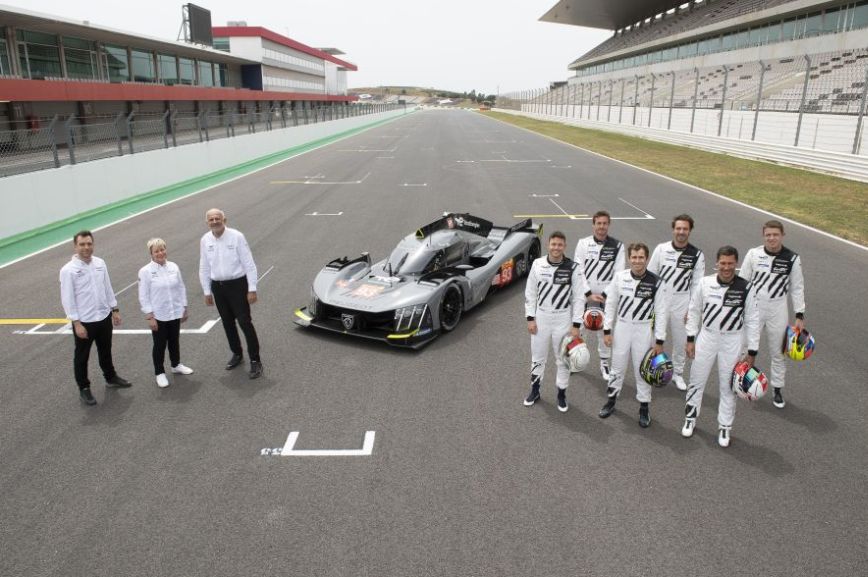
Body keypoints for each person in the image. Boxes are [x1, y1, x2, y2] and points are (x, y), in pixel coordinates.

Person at [682, 246, 760, 448]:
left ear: (736, 264)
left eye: (730, 263)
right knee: (696, 380)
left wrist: (752, 351)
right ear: (717, 263)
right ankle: (690, 418)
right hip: (707, 336)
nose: (726, 267)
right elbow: (694, 311)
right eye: (723, 263)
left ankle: (725, 426)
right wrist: (690, 339)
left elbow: (752, 320)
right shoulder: (705, 283)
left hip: (733, 340)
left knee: (728, 386)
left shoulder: (746, 287)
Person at [598, 243, 667, 428]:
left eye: (641, 257)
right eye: (634, 257)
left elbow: (661, 312)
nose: (637, 261)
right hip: (622, 327)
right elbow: (610, 304)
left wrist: (659, 341)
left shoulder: (657, 281)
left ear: (647, 258)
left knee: (642, 370)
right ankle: (611, 400)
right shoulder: (620, 277)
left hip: (643, 330)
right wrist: (607, 330)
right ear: (629, 259)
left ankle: (644, 407)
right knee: (617, 367)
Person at [739, 220, 805, 409]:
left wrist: (799, 314)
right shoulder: (753, 254)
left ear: (782, 235)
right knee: (745, 347)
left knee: (778, 352)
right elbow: (742, 281)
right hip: (754, 308)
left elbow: (797, 287)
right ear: (763, 235)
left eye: (775, 234)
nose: (771, 238)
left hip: (778, 308)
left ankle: (777, 389)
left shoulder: (792, 258)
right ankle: (740, 382)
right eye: (768, 234)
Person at [59, 230, 131, 405]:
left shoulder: (100, 263)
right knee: (82, 357)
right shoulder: (68, 270)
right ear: (75, 246)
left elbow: (107, 287)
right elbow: (67, 299)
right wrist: (76, 323)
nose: (86, 247)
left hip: (103, 317)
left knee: (105, 350)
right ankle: (84, 388)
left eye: (89, 244)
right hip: (84, 322)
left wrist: (114, 309)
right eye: (82, 244)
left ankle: (110, 377)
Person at [523, 231, 585, 412]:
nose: (556, 248)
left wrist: (576, 325)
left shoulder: (573, 267)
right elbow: (530, 292)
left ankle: (561, 394)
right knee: (538, 357)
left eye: (560, 245)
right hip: (541, 318)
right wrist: (530, 318)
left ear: (564, 246)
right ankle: (535, 390)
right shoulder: (538, 264)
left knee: (563, 359)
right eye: (553, 244)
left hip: (563, 319)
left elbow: (579, 298)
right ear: (548, 245)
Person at [199, 208, 263, 379]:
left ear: (224, 220)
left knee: (244, 322)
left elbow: (249, 263)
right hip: (218, 287)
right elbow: (204, 267)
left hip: (237, 285)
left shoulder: (237, 236)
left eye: (217, 218)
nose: (215, 221)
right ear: (207, 223)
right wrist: (207, 291)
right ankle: (237, 353)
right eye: (211, 219)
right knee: (227, 323)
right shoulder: (205, 240)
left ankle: (255, 360)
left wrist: (252, 288)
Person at [647, 214, 705, 391]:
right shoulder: (661, 249)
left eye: (685, 229)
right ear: (673, 229)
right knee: (654, 338)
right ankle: (652, 369)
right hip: (661, 300)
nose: (681, 232)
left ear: (690, 230)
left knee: (681, 341)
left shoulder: (697, 254)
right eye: (678, 228)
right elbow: (650, 275)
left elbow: (698, 285)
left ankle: (678, 373)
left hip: (682, 301)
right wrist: (649, 302)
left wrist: (692, 309)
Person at [574, 210, 625, 381]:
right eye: (599, 223)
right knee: (580, 328)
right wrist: (588, 293)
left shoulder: (618, 246)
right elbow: (578, 270)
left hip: (606, 296)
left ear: (608, 225)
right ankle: (577, 360)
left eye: (605, 223)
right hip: (585, 294)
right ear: (593, 224)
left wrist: (603, 294)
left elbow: (618, 274)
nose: (601, 227)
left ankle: (604, 364)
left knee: (604, 330)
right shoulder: (583, 243)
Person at [138, 238, 193, 388]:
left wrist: (184, 307)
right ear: (151, 254)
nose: (160, 253)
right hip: (159, 315)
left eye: (162, 249)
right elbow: (143, 296)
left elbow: (181, 287)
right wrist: (149, 316)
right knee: (160, 344)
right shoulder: (145, 271)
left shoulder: (174, 266)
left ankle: (176, 365)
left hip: (174, 311)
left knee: (174, 340)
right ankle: (159, 372)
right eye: (156, 251)